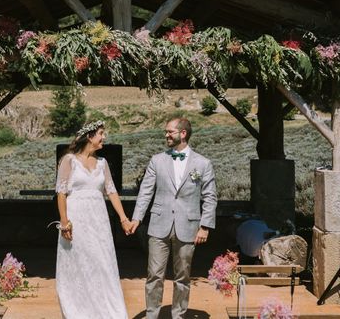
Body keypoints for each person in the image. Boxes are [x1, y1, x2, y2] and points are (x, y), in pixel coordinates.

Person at [126, 117, 218, 319]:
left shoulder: (203, 163)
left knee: (183, 276)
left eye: (170, 131)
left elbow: (210, 197)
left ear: (183, 133)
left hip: (189, 226)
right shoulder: (157, 160)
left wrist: (205, 226)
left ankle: (178, 315)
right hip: (159, 225)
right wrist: (136, 219)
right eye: (166, 131)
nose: (166, 135)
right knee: (154, 275)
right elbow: (145, 192)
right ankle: (152, 315)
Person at [55, 120, 131, 319]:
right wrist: (64, 222)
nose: (104, 137)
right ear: (90, 137)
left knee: (102, 264)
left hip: (98, 221)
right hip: (76, 220)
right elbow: (61, 193)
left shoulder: (103, 163)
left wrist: (123, 218)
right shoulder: (69, 160)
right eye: (101, 133)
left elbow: (112, 192)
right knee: (79, 265)